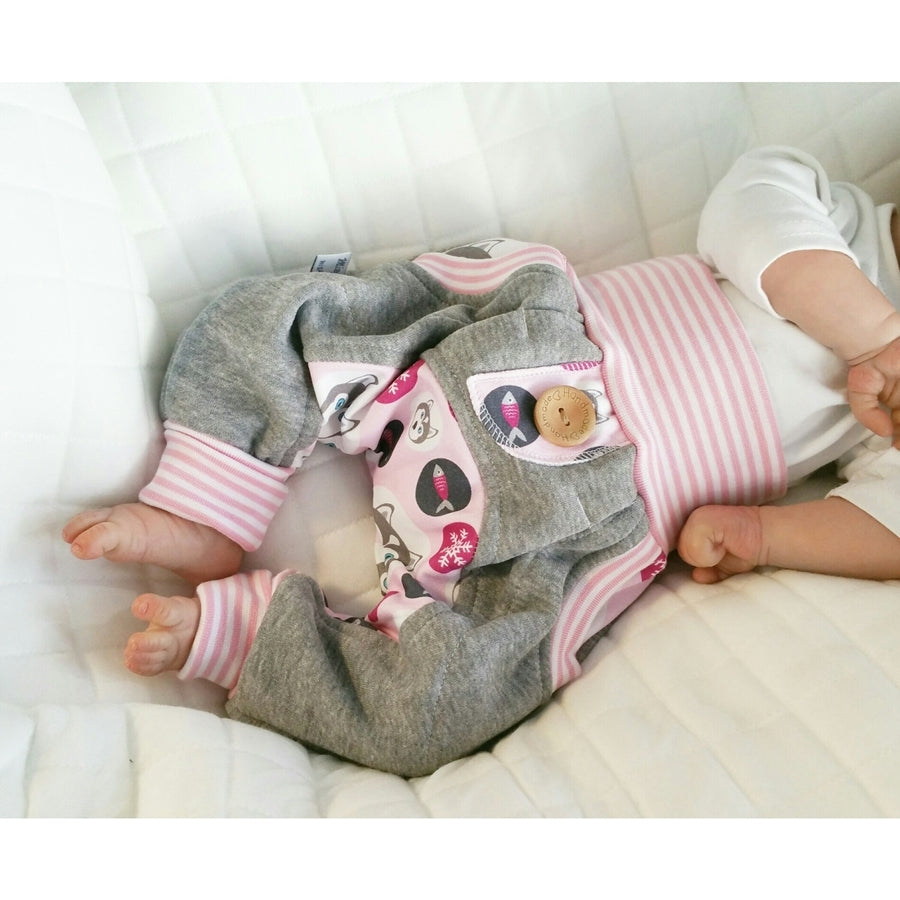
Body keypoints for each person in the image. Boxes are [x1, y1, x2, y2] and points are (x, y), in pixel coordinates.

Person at [62, 146, 900, 776]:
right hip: (511, 348)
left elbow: (889, 525)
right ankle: (206, 503)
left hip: (586, 521)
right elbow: (750, 209)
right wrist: (878, 335)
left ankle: (248, 639)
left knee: (442, 704)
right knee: (273, 323)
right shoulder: (835, 216)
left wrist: (761, 534)